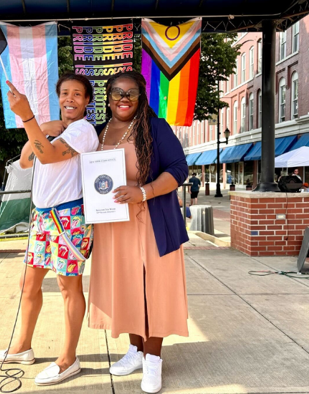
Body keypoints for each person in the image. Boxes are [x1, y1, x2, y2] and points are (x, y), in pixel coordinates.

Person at [0, 73, 98, 386]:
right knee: (27, 282)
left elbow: (46, 157)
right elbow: (25, 160)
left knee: (68, 287)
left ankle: (68, 359)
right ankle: (22, 347)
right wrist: (43, 127)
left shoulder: (83, 130)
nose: (70, 99)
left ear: (88, 101)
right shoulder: (50, 129)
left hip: (69, 217)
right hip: (43, 216)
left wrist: (28, 117)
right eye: (65, 93)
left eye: (78, 94)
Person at [87, 71, 189, 394]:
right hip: (113, 228)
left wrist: (142, 191)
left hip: (150, 222)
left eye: (131, 92)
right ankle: (136, 350)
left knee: (153, 291)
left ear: (141, 95)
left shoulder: (154, 128)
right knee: (127, 289)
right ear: (108, 96)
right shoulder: (98, 132)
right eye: (117, 92)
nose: (124, 98)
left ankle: (153, 359)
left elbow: (178, 170)